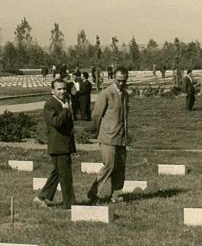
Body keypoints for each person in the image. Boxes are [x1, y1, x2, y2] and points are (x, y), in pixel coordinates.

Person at [87, 67, 131, 204]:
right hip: (108, 137)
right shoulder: (106, 94)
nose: (122, 84)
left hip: (121, 137)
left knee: (120, 167)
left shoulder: (125, 94)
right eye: (119, 81)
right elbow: (96, 115)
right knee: (110, 165)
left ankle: (116, 195)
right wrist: (99, 132)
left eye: (124, 81)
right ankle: (94, 192)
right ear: (113, 78)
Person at [35, 78, 77, 209]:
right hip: (58, 145)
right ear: (52, 91)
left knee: (58, 173)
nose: (62, 91)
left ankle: (41, 197)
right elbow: (56, 122)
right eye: (59, 89)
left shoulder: (65, 101)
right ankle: (70, 204)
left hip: (65, 144)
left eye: (64, 88)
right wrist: (65, 110)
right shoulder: (50, 104)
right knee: (65, 176)